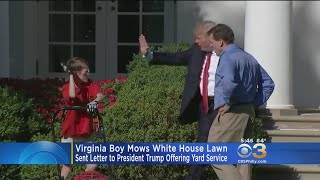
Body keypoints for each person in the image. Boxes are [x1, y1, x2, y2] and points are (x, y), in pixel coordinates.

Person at [139, 20, 219, 180]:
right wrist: (149, 54)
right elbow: (176, 58)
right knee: (203, 143)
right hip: (205, 105)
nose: (195, 41)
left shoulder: (229, 53)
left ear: (212, 37)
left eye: (198, 37)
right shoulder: (196, 51)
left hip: (224, 105)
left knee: (223, 145)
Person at [207, 24, 275, 180]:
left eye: (213, 42)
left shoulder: (227, 57)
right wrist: (253, 103)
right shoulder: (248, 57)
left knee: (213, 152)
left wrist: (228, 104)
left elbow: (229, 83)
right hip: (248, 112)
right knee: (243, 157)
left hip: (232, 113)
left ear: (221, 42)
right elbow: (269, 84)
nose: (211, 46)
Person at [60, 57, 104, 180]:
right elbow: (72, 96)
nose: (88, 74)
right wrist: (71, 77)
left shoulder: (90, 84)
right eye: (86, 72)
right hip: (71, 131)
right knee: (67, 165)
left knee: (92, 164)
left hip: (86, 130)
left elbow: (100, 95)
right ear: (76, 73)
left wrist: (94, 102)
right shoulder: (67, 87)